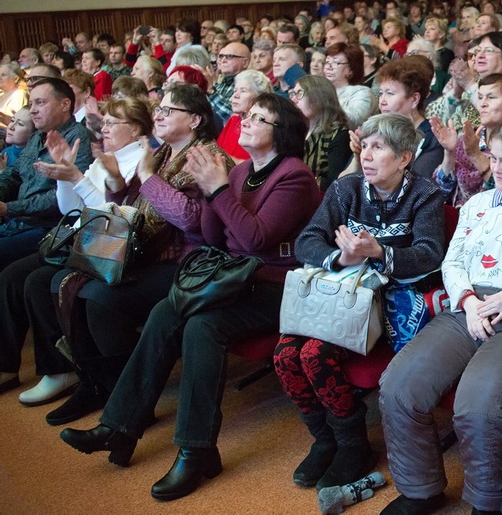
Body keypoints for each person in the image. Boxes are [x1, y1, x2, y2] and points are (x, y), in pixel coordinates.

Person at [60, 94, 321, 502]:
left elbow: (255, 241)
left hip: (276, 286)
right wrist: (212, 189)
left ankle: (196, 451)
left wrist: (217, 190)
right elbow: (212, 238)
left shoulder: (294, 176)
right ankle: (119, 426)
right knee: (167, 310)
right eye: (247, 115)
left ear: (281, 133)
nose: (246, 121)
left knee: (203, 326)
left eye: (259, 118)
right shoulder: (237, 173)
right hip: (233, 280)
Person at [379, 114, 502, 515]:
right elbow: (453, 264)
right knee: (400, 385)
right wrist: (468, 302)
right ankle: (421, 490)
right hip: (469, 308)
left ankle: (488, 503)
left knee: (481, 404)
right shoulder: (479, 205)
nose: (495, 168)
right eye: (493, 157)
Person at [275, 113, 446, 490]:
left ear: (404, 158)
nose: (367, 155)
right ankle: (326, 440)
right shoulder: (346, 189)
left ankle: (354, 446)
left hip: (387, 306)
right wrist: (342, 258)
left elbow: (431, 254)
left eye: (378, 147)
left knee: (313, 355)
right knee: (285, 355)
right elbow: (307, 241)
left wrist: (379, 252)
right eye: (364, 146)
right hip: (338, 296)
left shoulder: (425, 194)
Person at [38, 89, 231, 420]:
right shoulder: (161, 154)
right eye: (158, 109)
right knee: (63, 281)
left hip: (188, 262)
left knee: (99, 297)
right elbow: (129, 211)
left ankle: (124, 397)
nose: (158, 115)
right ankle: (99, 384)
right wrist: (115, 180)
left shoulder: (210, 156)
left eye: (169, 110)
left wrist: (146, 177)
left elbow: (192, 220)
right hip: (145, 253)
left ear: (195, 119)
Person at [0, 78, 93, 270]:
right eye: (32, 103)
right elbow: (13, 175)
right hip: (18, 222)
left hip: (50, 228)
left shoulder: (78, 138)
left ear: (65, 104)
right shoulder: (35, 137)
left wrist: (9, 208)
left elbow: (62, 197)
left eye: (40, 103)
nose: (33, 109)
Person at [431, 72, 502, 205]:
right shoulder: (469, 138)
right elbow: (440, 193)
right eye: (480, 97)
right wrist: (449, 152)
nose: (482, 104)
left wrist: (475, 155)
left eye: (491, 97)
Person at [373, 57, 443, 178]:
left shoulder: (432, 138)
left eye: (390, 93)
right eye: (381, 94)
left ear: (414, 99)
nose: (382, 101)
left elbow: (418, 183)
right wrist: (357, 157)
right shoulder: (375, 131)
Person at [290, 75, 352, 191]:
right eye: (293, 94)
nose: (293, 99)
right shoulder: (294, 130)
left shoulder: (339, 135)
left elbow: (332, 183)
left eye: (299, 93)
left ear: (319, 97)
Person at [217, 70, 272, 163]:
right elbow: (217, 152)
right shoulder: (233, 120)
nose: (235, 95)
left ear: (259, 97)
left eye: (243, 91)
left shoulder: (262, 127)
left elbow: (260, 166)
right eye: (235, 90)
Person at [323, 43, 376, 130]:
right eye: (327, 61)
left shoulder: (362, 92)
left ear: (351, 69)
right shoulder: (323, 91)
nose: (329, 66)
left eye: (336, 62)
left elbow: (355, 121)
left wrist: (322, 107)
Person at [0, 62, 29, 127]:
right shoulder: (1, 94)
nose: (0, 77)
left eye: (3, 75)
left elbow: (17, 122)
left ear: (16, 79)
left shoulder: (19, 94)